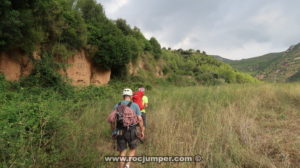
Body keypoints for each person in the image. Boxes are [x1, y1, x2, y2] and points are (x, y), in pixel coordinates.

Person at [109, 88, 144, 168]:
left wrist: (114, 131)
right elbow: (140, 119)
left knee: (122, 151)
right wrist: (142, 130)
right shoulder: (135, 105)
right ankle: (127, 164)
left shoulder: (117, 105)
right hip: (131, 130)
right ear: (131, 96)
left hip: (119, 130)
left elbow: (112, 120)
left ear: (123, 96)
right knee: (133, 148)